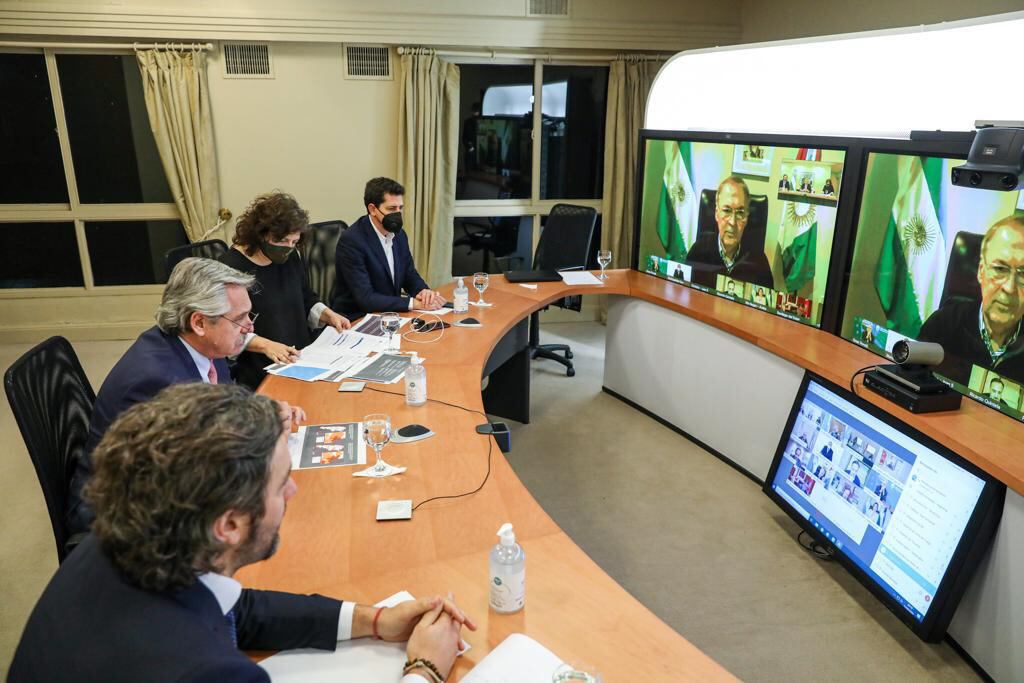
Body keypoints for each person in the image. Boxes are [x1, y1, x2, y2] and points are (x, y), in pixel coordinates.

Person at [10, 383, 474, 682]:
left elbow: (236, 607)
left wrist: (374, 620)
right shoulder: (205, 673)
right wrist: (425, 668)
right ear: (229, 524)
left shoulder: (114, 539)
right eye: (281, 482)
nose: (293, 491)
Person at [66, 258, 306, 537]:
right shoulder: (157, 381)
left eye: (248, 316)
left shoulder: (201, 345)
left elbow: (219, 402)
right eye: (239, 319)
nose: (249, 329)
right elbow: (196, 475)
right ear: (200, 322)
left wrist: (259, 412)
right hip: (121, 515)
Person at [220, 192, 352, 390]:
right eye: (282, 241)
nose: (289, 248)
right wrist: (266, 345)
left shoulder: (290, 256)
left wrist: (328, 314)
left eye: (294, 242)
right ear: (262, 234)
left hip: (302, 358)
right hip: (261, 368)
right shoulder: (230, 268)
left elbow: (305, 297)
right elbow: (226, 329)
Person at [919, 216, 1024, 385]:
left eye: (1023, 274)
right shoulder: (942, 325)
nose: (1009, 288)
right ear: (981, 271)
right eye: (999, 269)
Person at [332, 177, 446, 321]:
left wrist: (423, 292)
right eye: (391, 209)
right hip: (356, 318)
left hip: (390, 314)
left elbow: (409, 273)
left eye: (400, 208)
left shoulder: (399, 234)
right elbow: (366, 298)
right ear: (373, 209)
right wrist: (414, 303)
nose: (397, 214)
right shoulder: (352, 241)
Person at [684, 176, 774, 289]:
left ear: (746, 217)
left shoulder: (759, 263)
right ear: (717, 214)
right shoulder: (697, 253)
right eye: (727, 210)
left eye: (740, 213)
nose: (732, 222)